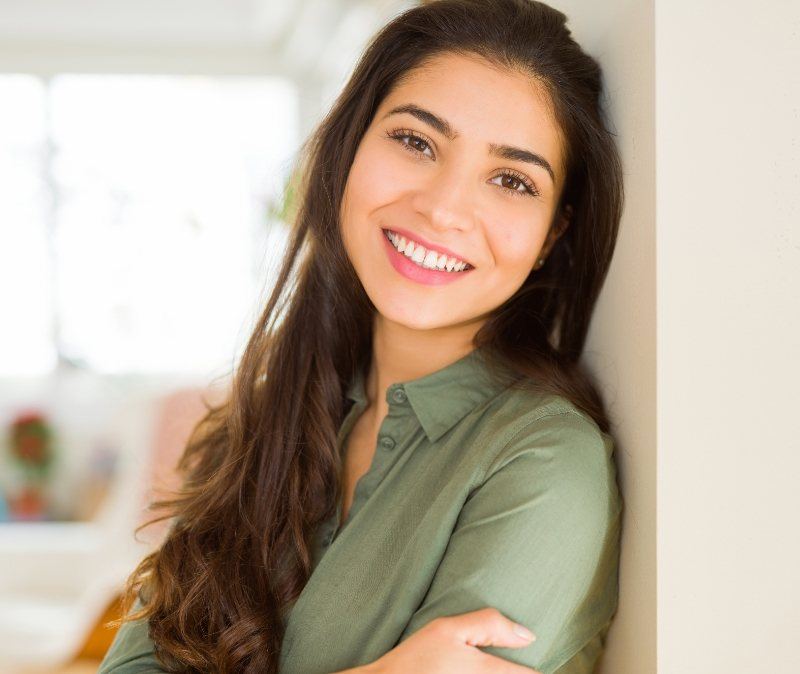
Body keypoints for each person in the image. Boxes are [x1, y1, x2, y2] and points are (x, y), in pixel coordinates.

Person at [98, 0, 624, 672]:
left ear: (552, 233)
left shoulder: (544, 463)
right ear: (346, 148)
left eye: (510, 179)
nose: (442, 208)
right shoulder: (255, 425)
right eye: (415, 142)